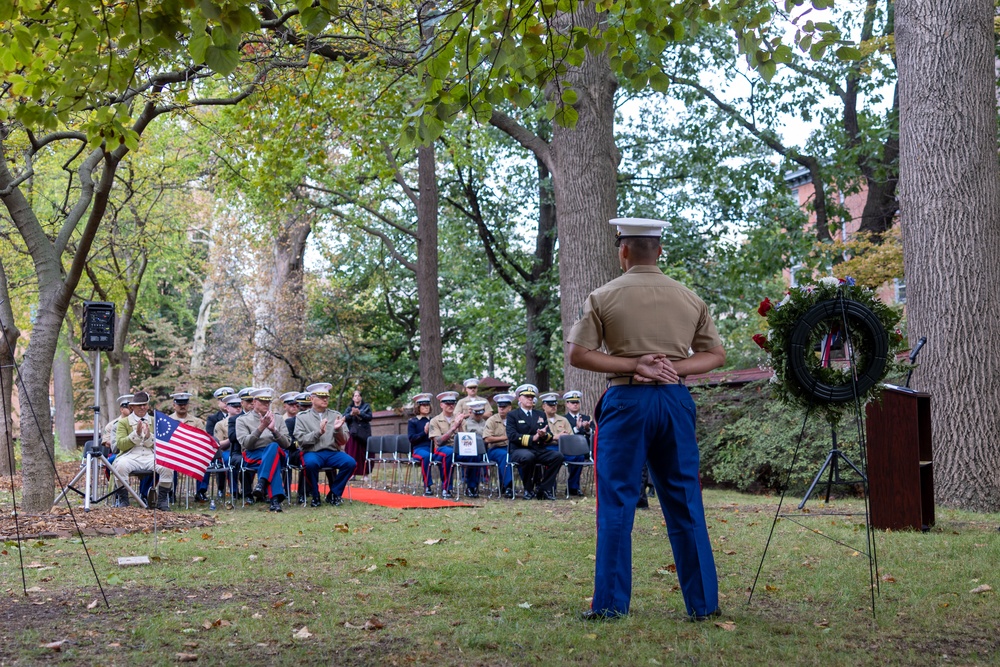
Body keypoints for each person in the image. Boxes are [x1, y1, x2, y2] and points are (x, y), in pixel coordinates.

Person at [566, 217, 726, 622]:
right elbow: (716, 355)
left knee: (617, 501)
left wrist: (635, 364)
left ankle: (610, 605)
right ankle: (703, 605)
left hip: (627, 400)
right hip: (674, 399)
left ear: (623, 250)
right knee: (685, 499)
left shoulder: (603, 295)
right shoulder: (689, 298)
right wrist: (673, 367)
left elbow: (578, 354)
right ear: (660, 250)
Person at [294, 382, 355, 507]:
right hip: (312, 452)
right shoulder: (302, 417)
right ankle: (315, 496)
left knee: (350, 463)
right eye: (321, 397)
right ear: (312, 399)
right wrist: (318, 432)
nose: (325, 399)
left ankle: (334, 493)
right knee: (310, 464)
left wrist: (337, 430)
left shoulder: (336, 415)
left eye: (326, 396)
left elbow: (344, 440)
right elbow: (301, 440)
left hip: (332, 452)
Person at [112, 391, 172, 510]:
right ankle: (124, 500)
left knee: (167, 465)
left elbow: (163, 444)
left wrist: (149, 437)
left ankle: (162, 500)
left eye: (145, 404)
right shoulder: (123, 422)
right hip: (130, 455)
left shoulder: (155, 420)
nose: (142, 407)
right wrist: (136, 434)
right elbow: (121, 444)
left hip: (150, 455)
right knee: (120, 466)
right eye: (139, 405)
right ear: (132, 407)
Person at [236, 387, 291, 512]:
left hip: (277, 452)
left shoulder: (278, 418)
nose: (266, 404)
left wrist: (274, 430)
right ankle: (275, 500)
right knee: (273, 463)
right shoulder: (242, 420)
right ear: (254, 402)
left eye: (268, 401)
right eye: (262, 401)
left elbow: (287, 443)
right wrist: (261, 428)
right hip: (254, 454)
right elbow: (246, 444)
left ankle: (262, 481)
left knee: (273, 447)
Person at [505, 384, 563, 500]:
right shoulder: (513, 415)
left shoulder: (540, 414)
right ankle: (528, 489)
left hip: (538, 449)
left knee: (558, 456)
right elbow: (512, 436)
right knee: (528, 457)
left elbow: (550, 436)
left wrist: (544, 435)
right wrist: (533, 438)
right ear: (520, 398)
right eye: (527, 396)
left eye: (532, 396)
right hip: (519, 450)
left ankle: (544, 488)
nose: (530, 399)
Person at [170, 392, 210, 502]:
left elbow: (203, 439)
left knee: (204, 460)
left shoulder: (197, 422)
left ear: (188, 405)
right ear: (174, 405)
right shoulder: (168, 420)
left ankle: (201, 492)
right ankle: (170, 492)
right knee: (167, 464)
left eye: (185, 404)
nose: (182, 406)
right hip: (173, 453)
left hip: (192, 453)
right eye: (180, 404)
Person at [427, 391, 467, 499]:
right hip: (441, 450)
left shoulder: (460, 419)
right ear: (441, 405)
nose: (451, 406)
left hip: (457, 449)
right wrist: (453, 428)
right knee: (448, 453)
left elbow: (464, 440)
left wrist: (459, 426)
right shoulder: (435, 421)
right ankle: (447, 488)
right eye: (447, 403)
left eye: (453, 403)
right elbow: (438, 441)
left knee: (474, 455)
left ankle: (471, 487)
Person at [455, 398, 489, 497]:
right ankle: (471, 486)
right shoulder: (465, 423)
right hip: (469, 450)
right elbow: (462, 438)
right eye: (476, 413)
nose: (479, 415)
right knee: (474, 458)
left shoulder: (487, 422)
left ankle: (475, 485)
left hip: (485, 449)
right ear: (470, 412)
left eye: (480, 413)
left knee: (479, 457)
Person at [483, 393, 514, 498]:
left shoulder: (514, 419)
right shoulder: (492, 420)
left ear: (510, 407)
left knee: (524, 456)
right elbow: (487, 439)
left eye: (504, 406)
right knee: (504, 456)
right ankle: (509, 486)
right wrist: (505, 437)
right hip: (495, 449)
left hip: (512, 448)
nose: (501, 409)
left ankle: (530, 486)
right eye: (499, 406)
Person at [562, 390, 592, 497]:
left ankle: (573, 487)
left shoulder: (587, 418)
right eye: (572, 402)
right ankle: (573, 487)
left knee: (580, 457)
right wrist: (576, 429)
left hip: (585, 450)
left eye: (577, 402)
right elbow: (564, 435)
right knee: (577, 457)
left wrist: (587, 429)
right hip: (568, 450)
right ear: (567, 404)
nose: (575, 404)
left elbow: (593, 434)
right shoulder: (563, 419)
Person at [407, 393, 437, 496]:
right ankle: (427, 485)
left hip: (433, 448)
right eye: (423, 405)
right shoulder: (413, 421)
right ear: (418, 407)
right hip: (418, 449)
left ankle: (446, 488)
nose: (426, 407)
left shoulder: (433, 420)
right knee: (426, 456)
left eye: (427, 405)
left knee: (446, 455)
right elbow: (412, 439)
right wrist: (424, 432)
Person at [281, 391, 307, 505]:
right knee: (286, 459)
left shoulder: (302, 419)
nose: (294, 407)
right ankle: (285, 490)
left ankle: (305, 492)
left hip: (300, 451)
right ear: (285, 406)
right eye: (291, 405)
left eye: (297, 405)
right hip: (287, 450)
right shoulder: (282, 420)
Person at [342, 389, 373, 481]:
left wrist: (360, 413)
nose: (357, 397)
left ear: (361, 397)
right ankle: (352, 473)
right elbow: (344, 418)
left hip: (364, 434)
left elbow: (369, 417)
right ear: (353, 398)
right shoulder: (349, 408)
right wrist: (351, 414)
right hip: (353, 434)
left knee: (364, 453)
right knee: (352, 453)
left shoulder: (366, 406)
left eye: (358, 396)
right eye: (355, 396)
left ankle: (365, 474)